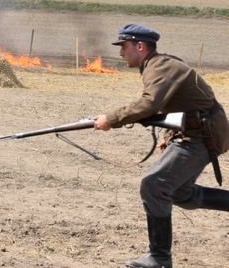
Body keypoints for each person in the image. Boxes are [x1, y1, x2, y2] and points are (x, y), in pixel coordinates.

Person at [92, 24, 229, 268]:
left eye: (124, 47)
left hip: (202, 134)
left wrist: (111, 119)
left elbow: (150, 104)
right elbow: (178, 104)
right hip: (196, 130)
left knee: (155, 185)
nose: (121, 53)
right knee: (178, 192)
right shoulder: (157, 66)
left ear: (140, 46)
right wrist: (168, 135)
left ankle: (159, 258)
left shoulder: (161, 67)